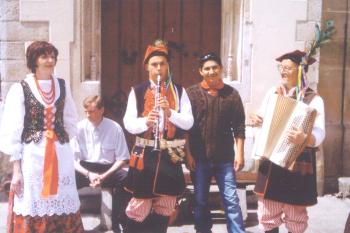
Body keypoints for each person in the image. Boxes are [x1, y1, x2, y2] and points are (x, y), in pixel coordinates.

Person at [0, 41, 84, 232]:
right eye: (44, 56)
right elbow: (13, 130)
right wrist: (16, 170)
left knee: (61, 199)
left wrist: (61, 141)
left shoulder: (63, 85)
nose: (50, 60)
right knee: (35, 201)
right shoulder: (21, 88)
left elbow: (71, 120)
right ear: (34, 60)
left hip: (60, 155)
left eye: (52, 56)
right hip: (33, 157)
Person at [122, 39, 194, 233]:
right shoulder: (137, 91)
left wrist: (170, 112)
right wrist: (146, 121)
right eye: (154, 64)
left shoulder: (179, 91)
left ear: (168, 65)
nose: (159, 68)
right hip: (145, 151)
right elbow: (128, 124)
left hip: (172, 151)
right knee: (140, 204)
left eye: (163, 64)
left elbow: (189, 122)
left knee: (166, 204)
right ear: (147, 67)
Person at [251, 50, 326, 233]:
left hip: (298, 162)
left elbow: (320, 132)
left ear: (300, 70)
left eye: (287, 68)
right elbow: (261, 115)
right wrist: (256, 117)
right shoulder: (273, 93)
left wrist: (305, 139)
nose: (282, 71)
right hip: (271, 161)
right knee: (268, 211)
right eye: (281, 67)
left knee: (295, 212)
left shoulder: (314, 99)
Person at [185, 52, 246, 233]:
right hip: (199, 157)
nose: (211, 72)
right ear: (200, 71)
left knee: (231, 200)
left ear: (220, 69)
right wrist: (188, 154)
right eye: (207, 68)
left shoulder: (232, 95)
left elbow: (239, 126)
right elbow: (186, 128)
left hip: (225, 158)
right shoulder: (191, 94)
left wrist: (240, 153)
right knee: (201, 199)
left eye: (214, 68)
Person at [71, 95, 130, 233]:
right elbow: (72, 160)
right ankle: (73, 223)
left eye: (91, 111)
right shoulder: (78, 128)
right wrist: (88, 174)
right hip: (86, 169)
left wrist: (104, 176)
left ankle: (118, 221)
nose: (87, 115)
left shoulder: (115, 128)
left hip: (108, 169)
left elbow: (123, 159)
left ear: (101, 110)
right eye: (85, 111)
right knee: (66, 180)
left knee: (128, 179)